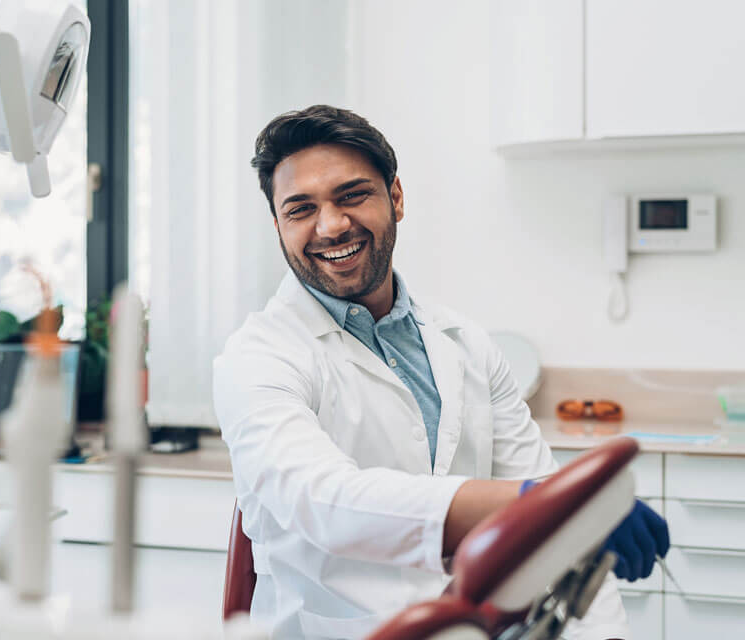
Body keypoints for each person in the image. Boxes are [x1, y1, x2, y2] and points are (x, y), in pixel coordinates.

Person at [213, 105, 669, 640]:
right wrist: (543, 506)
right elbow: (323, 500)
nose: (331, 225)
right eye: (300, 209)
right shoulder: (257, 357)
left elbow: (559, 531)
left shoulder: (468, 346)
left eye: (352, 195)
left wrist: (595, 601)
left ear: (396, 198)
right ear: (278, 225)